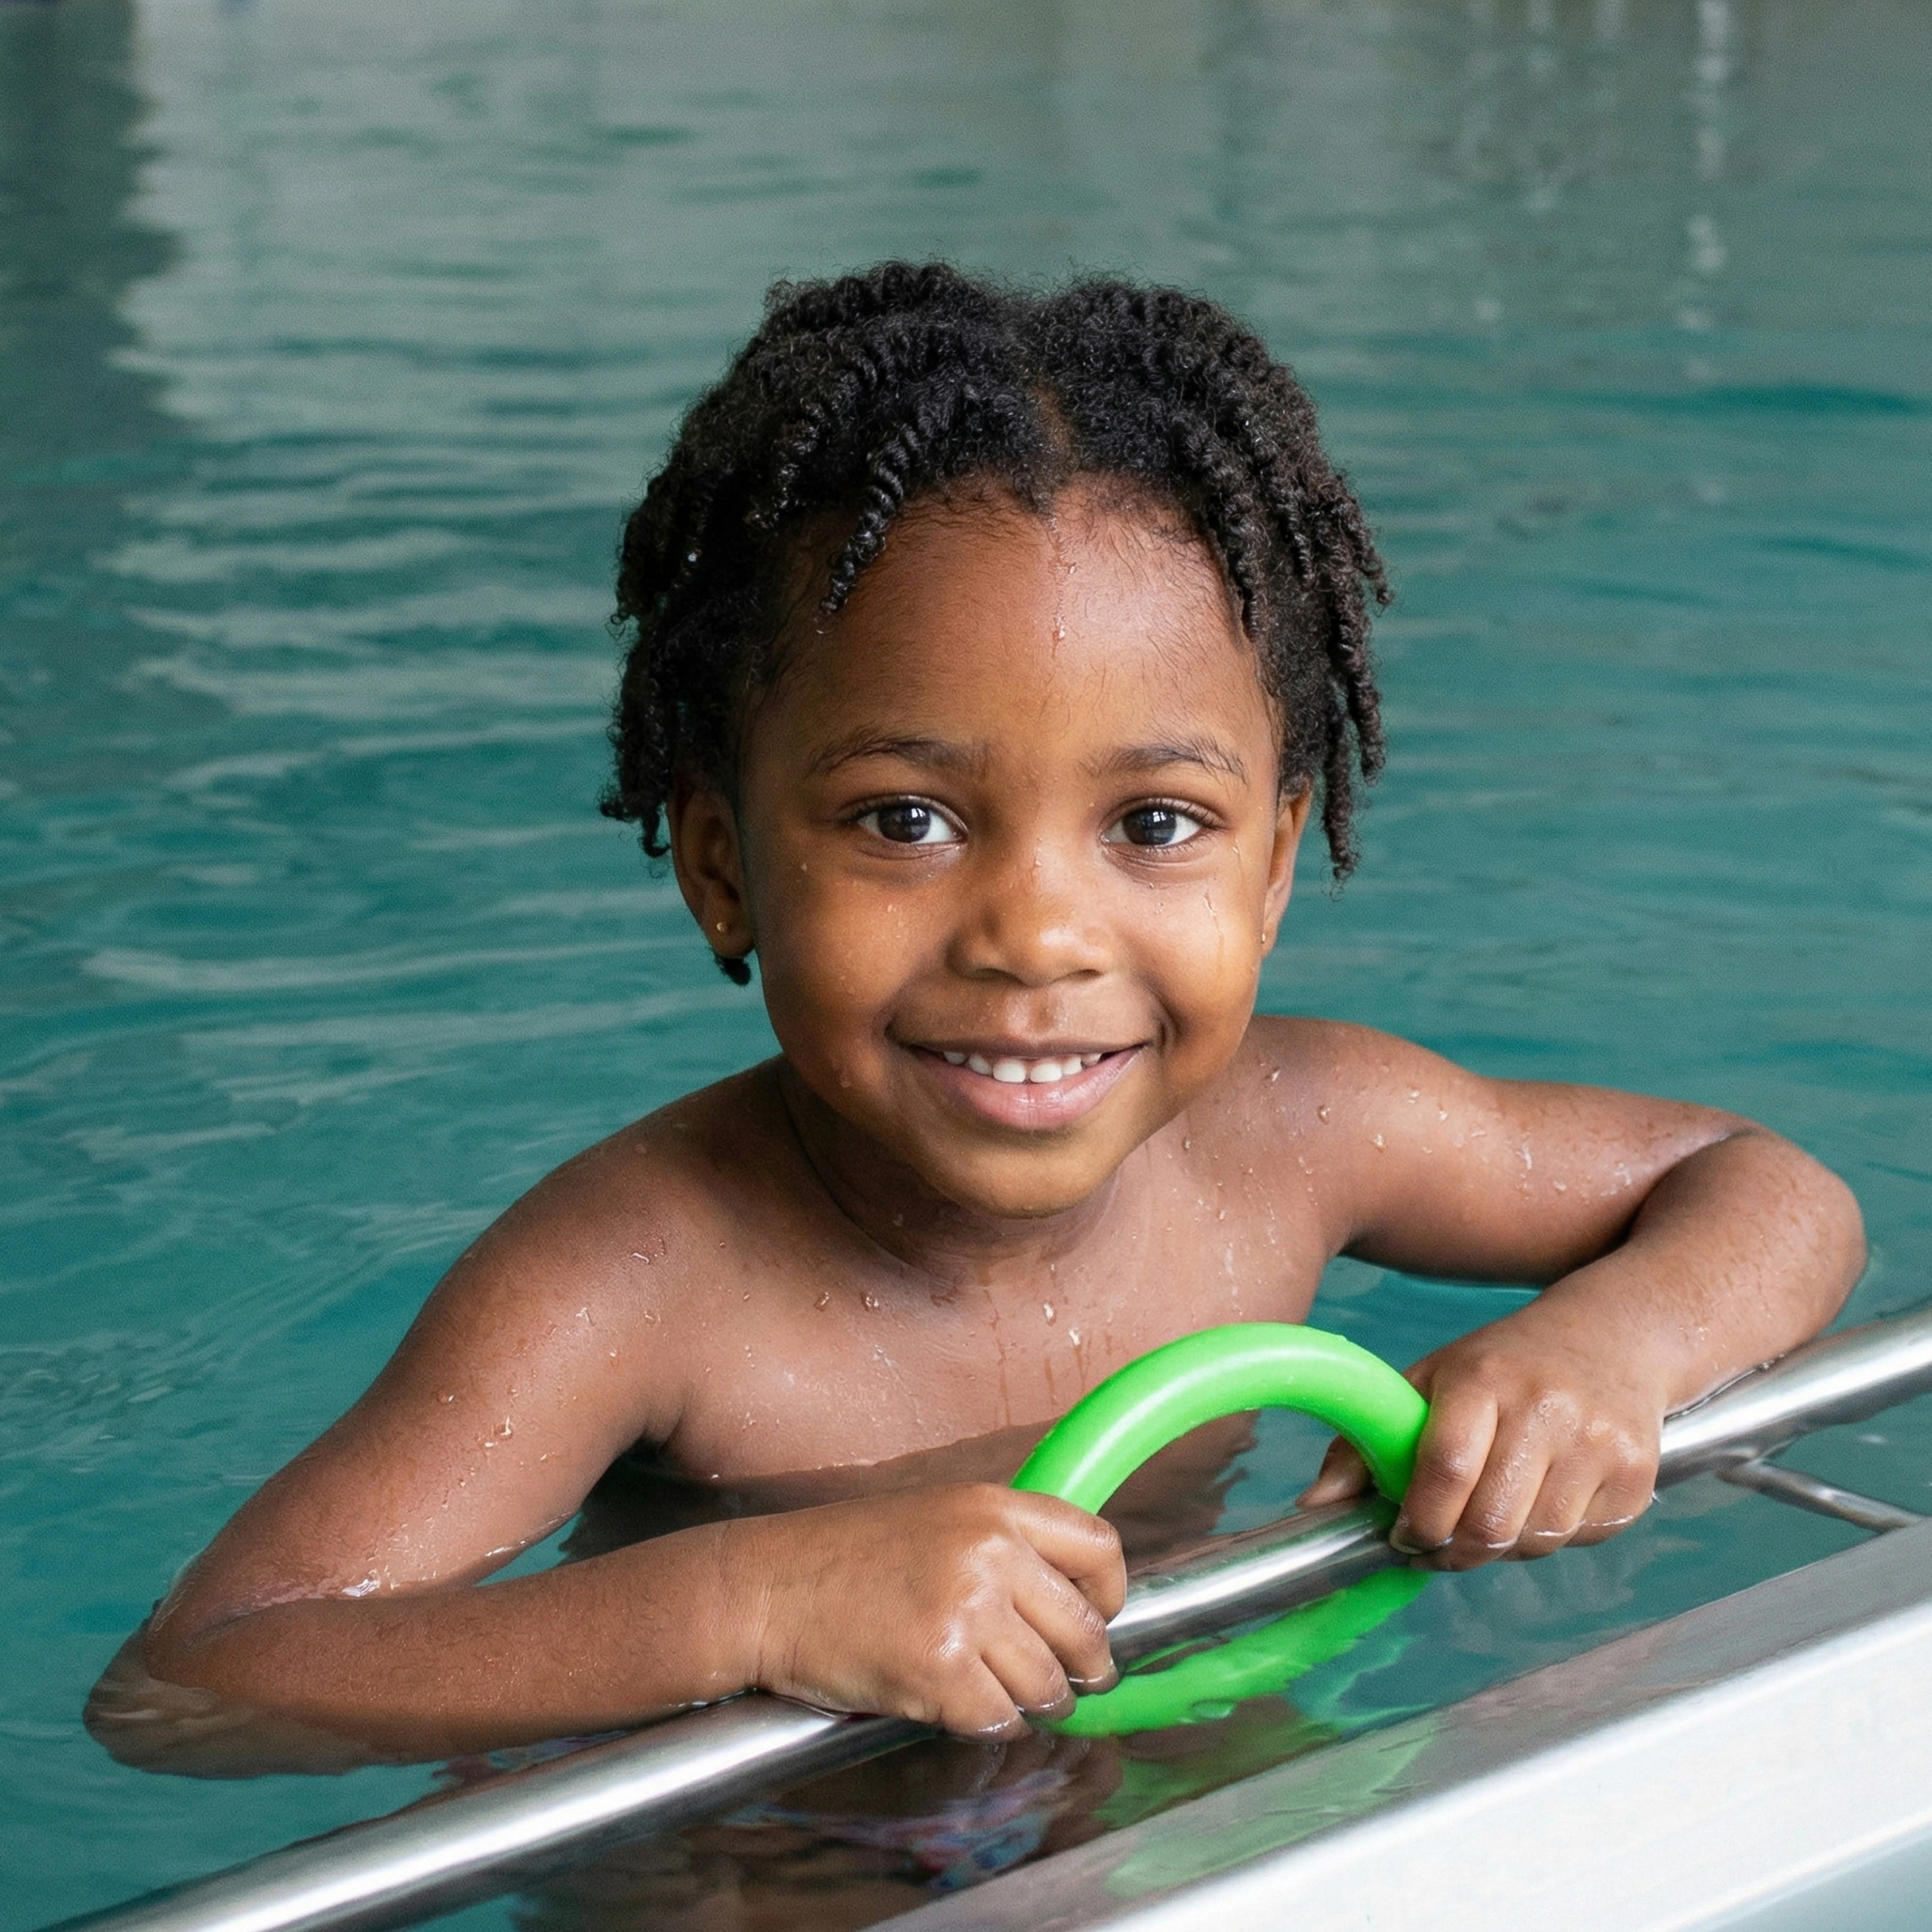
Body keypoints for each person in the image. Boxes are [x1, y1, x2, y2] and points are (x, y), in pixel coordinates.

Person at [91, 263, 1863, 1771]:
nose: (1034, 933)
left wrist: (1606, 1351)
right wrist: (751, 1597)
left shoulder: (1304, 1133)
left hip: (1180, 1770)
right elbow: (200, 1682)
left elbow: (1762, 1186)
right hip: (775, 1865)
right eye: (903, 818)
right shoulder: (633, 1279)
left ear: (1270, 867)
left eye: (1152, 823)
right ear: (720, 866)